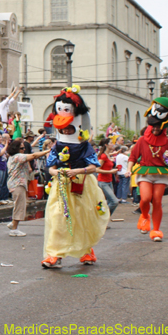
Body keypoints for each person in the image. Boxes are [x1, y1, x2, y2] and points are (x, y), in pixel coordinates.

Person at [41, 86, 108, 269]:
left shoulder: (84, 145)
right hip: (61, 185)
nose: (68, 132)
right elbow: (51, 168)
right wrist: (59, 173)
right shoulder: (56, 146)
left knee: (82, 217)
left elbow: (94, 167)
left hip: (83, 185)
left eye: (71, 129)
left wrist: (78, 172)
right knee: (57, 218)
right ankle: (55, 254)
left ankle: (86, 251)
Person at [129, 87, 168, 242]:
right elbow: (133, 156)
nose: (157, 129)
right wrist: (128, 170)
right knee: (145, 198)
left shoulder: (167, 142)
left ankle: (156, 230)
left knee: (157, 200)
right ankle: (144, 216)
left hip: (161, 174)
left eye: (160, 127)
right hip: (145, 172)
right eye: (155, 126)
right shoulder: (142, 140)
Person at [6, 138, 50, 237]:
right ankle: (14, 229)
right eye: (22, 148)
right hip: (17, 184)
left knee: (19, 204)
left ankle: (13, 223)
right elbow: (34, 155)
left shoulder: (14, 157)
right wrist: (48, 151)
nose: (24, 150)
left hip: (17, 183)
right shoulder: (18, 156)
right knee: (20, 205)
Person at [95, 138, 119, 217]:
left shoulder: (107, 155)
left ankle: (103, 220)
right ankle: (102, 217)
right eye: (111, 143)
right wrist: (110, 172)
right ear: (106, 145)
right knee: (114, 201)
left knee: (109, 202)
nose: (113, 144)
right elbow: (97, 169)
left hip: (109, 181)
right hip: (103, 182)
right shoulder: (103, 156)